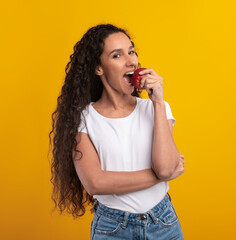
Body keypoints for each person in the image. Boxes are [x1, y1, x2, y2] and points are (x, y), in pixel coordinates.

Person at [49, 24, 185, 239]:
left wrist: (158, 101)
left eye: (131, 51)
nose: (131, 61)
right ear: (98, 68)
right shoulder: (83, 119)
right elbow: (95, 183)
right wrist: (160, 177)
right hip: (113, 228)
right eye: (117, 55)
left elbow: (166, 167)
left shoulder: (157, 109)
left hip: (163, 223)